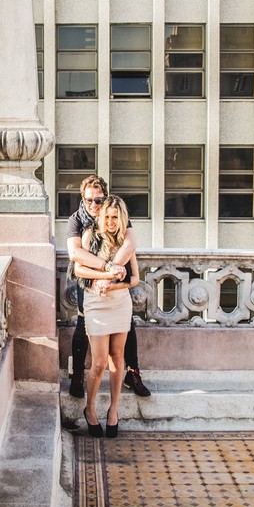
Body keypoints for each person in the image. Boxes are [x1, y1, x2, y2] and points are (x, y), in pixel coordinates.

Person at [66, 175, 150, 399]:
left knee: (127, 324)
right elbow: (76, 255)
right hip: (91, 277)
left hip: (113, 279)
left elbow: (130, 243)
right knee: (83, 321)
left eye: (98, 200)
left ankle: (133, 373)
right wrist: (106, 269)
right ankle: (77, 374)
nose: (93, 205)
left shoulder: (115, 214)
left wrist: (112, 277)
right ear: (82, 200)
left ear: (105, 197)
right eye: (88, 200)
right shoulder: (77, 220)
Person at [72, 195, 139, 437]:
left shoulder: (125, 243)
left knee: (118, 358)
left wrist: (111, 286)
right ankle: (89, 409)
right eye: (107, 217)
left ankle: (113, 410)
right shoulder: (91, 236)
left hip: (120, 303)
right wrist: (103, 279)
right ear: (101, 217)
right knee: (99, 363)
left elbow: (134, 279)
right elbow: (79, 268)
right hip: (95, 303)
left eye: (115, 217)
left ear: (121, 219)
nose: (110, 222)